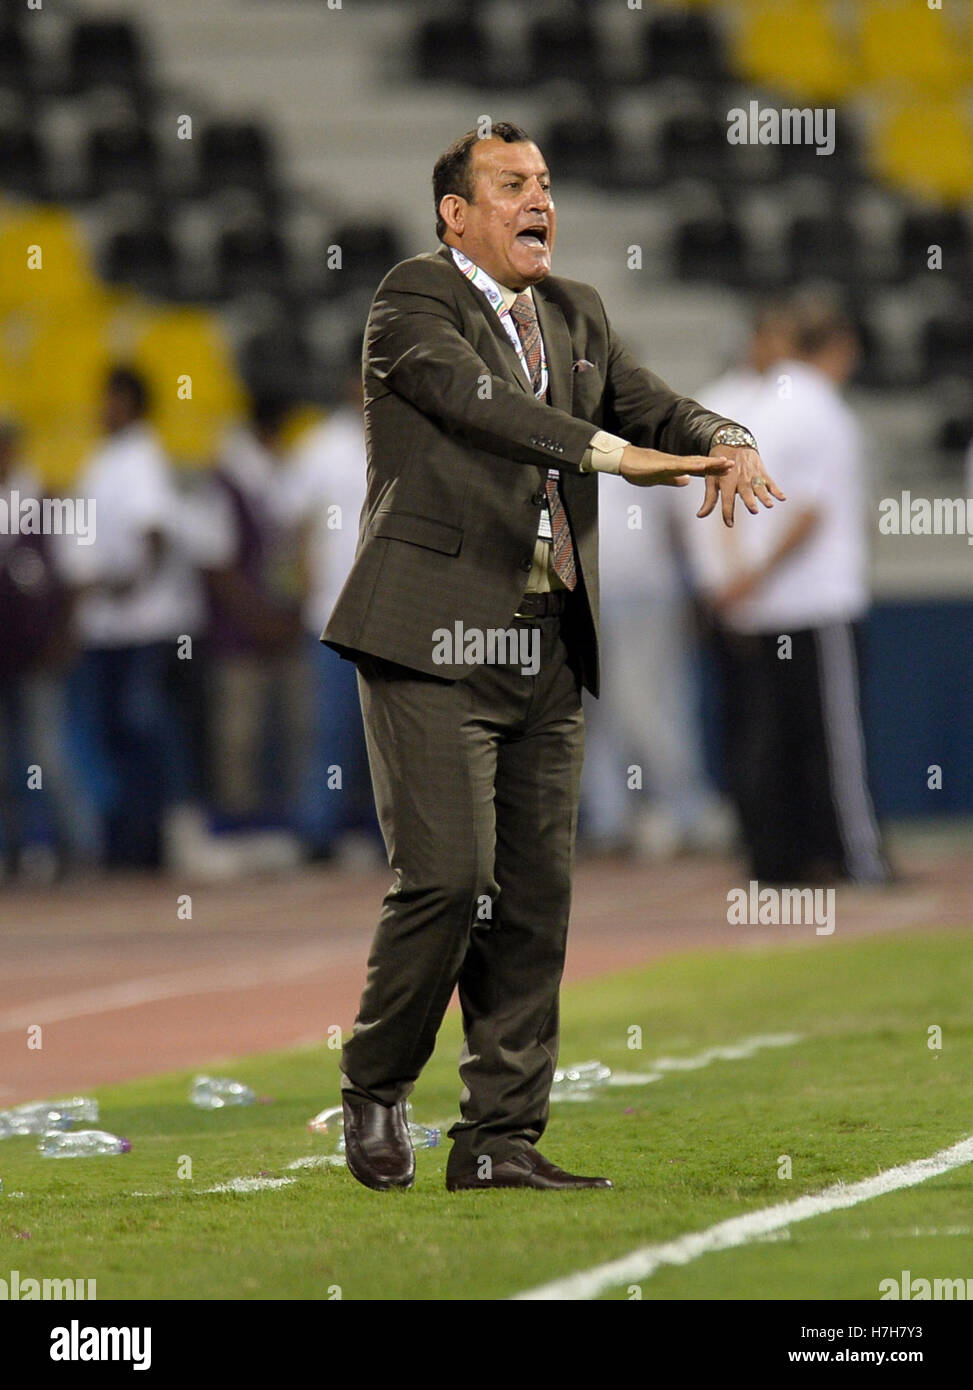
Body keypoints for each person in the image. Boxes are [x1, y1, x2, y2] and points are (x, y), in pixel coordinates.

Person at [322, 122, 783, 1192]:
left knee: (531, 898)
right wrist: (622, 459)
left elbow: (657, 402)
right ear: (456, 214)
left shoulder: (577, 311)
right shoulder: (411, 300)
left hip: (545, 639)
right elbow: (486, 410)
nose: (541, 200)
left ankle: (497, 1140)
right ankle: (376, 1080)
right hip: (430, 633)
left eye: (545, 183)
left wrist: (727, 436)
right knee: (447, 880)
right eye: (513, 184)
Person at [698, 294, 889, 885]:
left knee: (768, 739)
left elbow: (720, 497)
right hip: (814, 601)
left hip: (760, 608)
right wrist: (756, 575)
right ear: (839, 348)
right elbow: (810, 513)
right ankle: (856, 857)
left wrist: (736, 579)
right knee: (833, 740)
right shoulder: (820, 408)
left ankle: (776, 860)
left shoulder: (753, 405)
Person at [278, 349, 380, 862]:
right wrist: (302, 594)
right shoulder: (318, 447)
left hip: (395, 615)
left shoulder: (411, 437)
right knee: (330, 730)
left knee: (397, 735)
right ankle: (319, 831)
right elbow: (294, 528)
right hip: (333, 613)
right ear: (348, 383)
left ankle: (398, 836)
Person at [0, 417, 97, 880]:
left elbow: (75, 576)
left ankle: (78, 847)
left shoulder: (43, 502)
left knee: (46, 754)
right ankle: (15, 850)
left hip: (37, 653)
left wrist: (64, 636)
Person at [206, 397, 305, 825]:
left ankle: (289, 821)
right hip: (242, 633)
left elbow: (293, 556)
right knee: (238, 734)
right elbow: (218, 568)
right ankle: (236, 823)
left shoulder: (284, 477)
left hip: (284, 628)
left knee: (294, 729)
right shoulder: (226, 482)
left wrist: (286, 616)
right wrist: (260, 619)